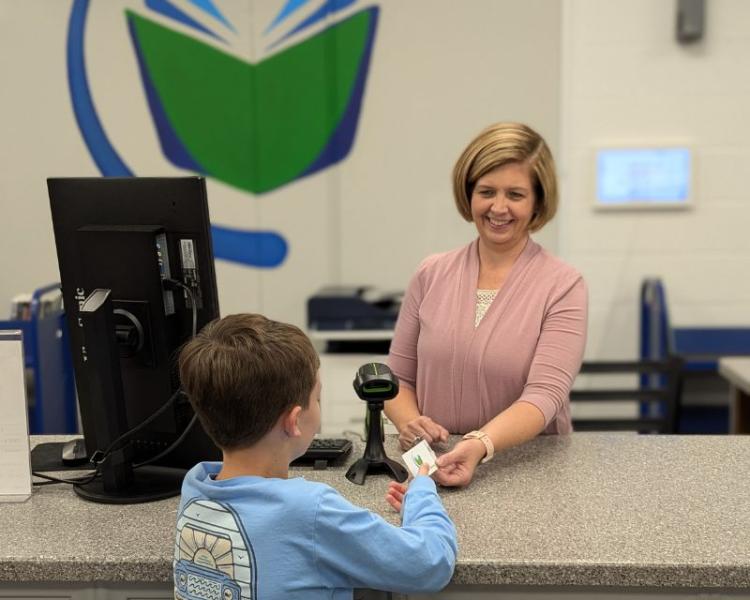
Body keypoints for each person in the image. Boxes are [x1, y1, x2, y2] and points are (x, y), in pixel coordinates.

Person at [174, 313, 457, 600]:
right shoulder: (309, 511)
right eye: (316, 398)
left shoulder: (195, 490)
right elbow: (429, 564)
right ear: (294, 420)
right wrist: (422, 492)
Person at [385, 122, 587, 488]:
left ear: (538, 201)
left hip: (528, 473)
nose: (498, 207)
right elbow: (398, 379)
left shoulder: (563, 285)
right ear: (469, 194)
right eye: (487, 191)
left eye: (515, 194)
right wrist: (411, 431)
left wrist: (479, 445)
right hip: (433, 467)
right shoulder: (431, 273)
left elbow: (545, 396)